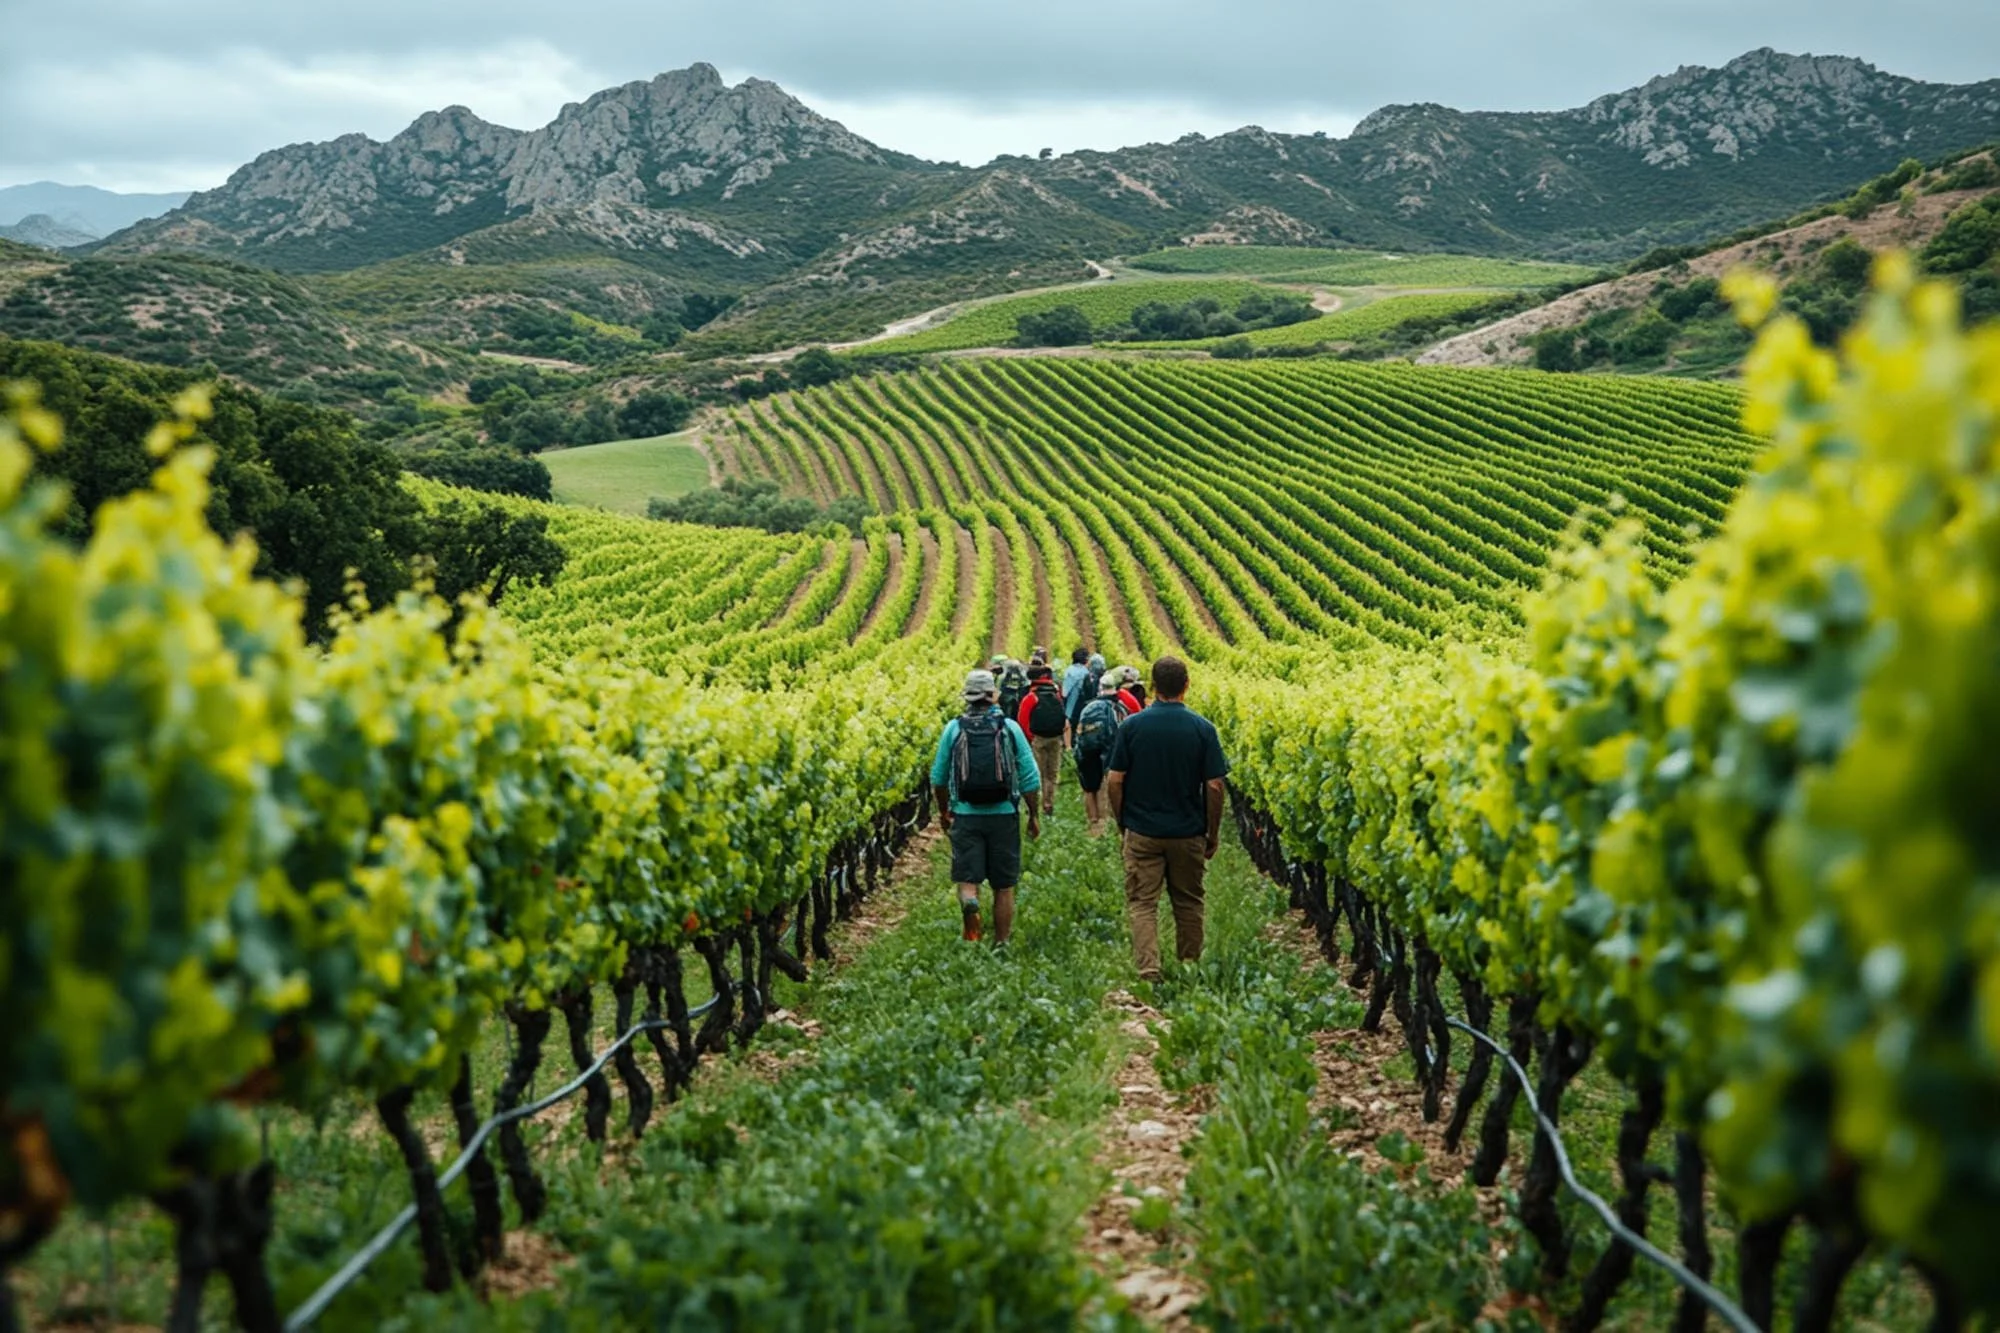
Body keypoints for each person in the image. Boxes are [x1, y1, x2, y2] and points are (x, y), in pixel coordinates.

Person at [1106, 655, 1228, 983]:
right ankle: (1189, 968)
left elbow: (1115, 780)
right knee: (1188, 901)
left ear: (1153, 686)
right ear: (1186, 685)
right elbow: (1215, 786)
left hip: (1143, 830)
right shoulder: (1202, 728)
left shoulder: (1132, 726)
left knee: (1142, 902)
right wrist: (1211, 831)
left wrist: (1123, 821)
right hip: (1188, 832)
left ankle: (1149, 970)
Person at [931, 669, 1042, 944]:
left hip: (966, 814)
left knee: (968, 881)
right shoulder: (1009, 727)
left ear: (967, 697)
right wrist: (1033, 815)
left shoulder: (954, 728)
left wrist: (945, 811)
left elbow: (938, 777)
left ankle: (972, 933)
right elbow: (1030, 776)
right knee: (1004, 885)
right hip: (1004, 814)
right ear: (993, 696)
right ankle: (1002, 941)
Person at [1071, 676, 1125, 834]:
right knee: (1104, 784)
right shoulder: (1116, 707)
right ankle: (1104, 822)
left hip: (1087, 750)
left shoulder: (1088, 707)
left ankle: (1092, 823)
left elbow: (1079, 732)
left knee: (1089, 788)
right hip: (1107, 749)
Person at [1016, 663, 1067, 816]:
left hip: (1037, 739)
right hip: (1055, 738)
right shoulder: (1055, 693)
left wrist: (1030, 738)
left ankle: (1034, 807)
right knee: (1051, 773)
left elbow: (1022, 720)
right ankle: (1048, 804)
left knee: (1036, 772)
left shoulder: (1031, 697)